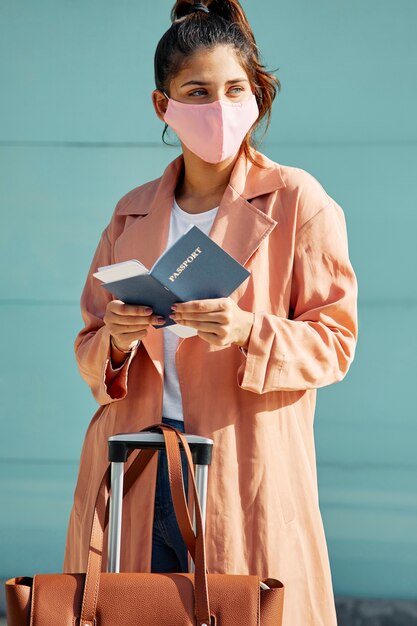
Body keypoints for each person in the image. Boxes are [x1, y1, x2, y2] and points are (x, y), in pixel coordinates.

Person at [63, 1, 358, 624]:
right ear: (161, 105)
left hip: (240, 471)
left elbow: (335, 342)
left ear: (255, 95)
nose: (218, 109)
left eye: (233, 89)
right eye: (196, 92)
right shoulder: (132, 212)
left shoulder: (299, 201)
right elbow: (90, 347)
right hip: (139, 470)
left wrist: (251, 330)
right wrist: (115, 342)